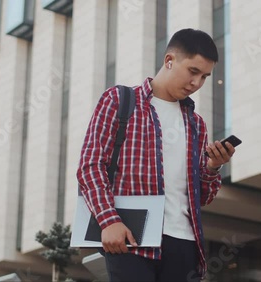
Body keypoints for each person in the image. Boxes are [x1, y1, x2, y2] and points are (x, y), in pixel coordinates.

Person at [77, 28, 235, 282]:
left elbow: (202, 197)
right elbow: (90, 165)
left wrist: (213, 166)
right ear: (169, 60)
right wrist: (108, 220)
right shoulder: (121, 100)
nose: (197, 83)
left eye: (205, 76)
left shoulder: (197, 124)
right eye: (193, 71)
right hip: (130, 236)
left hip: (185, 243)